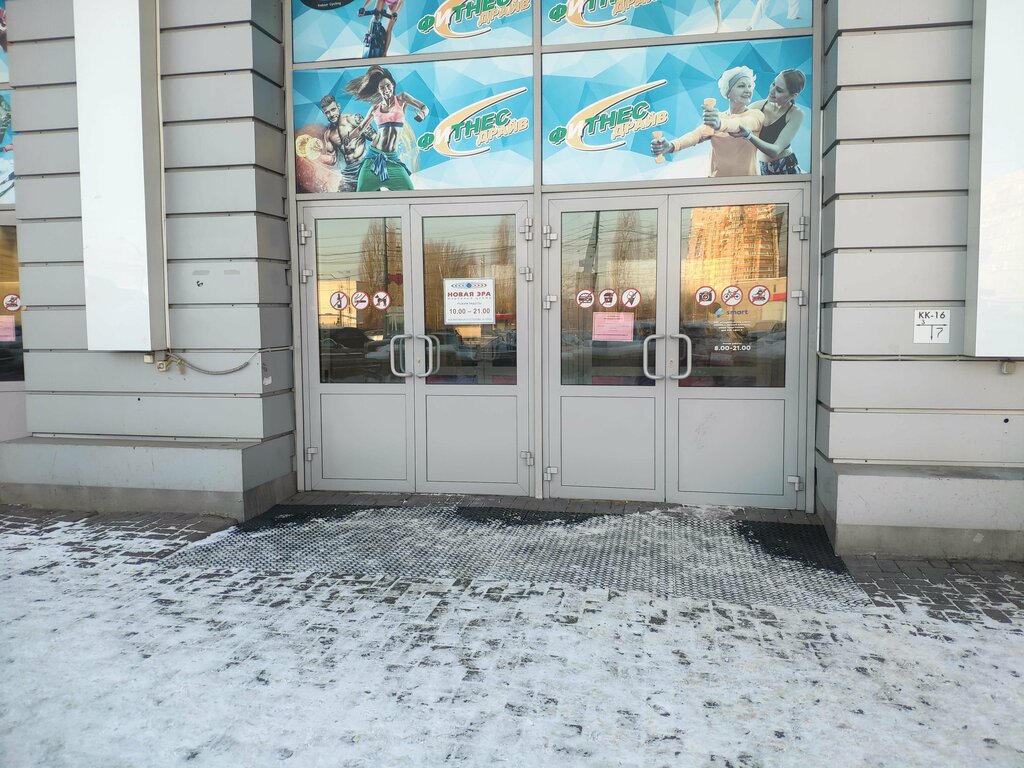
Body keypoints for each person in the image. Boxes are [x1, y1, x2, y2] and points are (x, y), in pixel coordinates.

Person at [650, 66, 764, 178]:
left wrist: (719, 124)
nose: (747, 90)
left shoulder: (756, 115)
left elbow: (741, 124)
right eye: (741, 86)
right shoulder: (717, 117)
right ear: (728, 92)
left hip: (747, 185)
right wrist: (671, 146)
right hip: (715, 184)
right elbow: (695, 135)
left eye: (750, 86)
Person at [345, 65, 428, 192]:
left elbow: (424, 107)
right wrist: (348, 138)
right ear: (378, 90)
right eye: (382, 87)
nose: (386, 89)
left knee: (409, 192)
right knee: (361, 196)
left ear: (393, 86)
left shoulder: (402, 99)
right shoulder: (375, 109)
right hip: (373, 158)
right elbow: (360, 128)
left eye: (388, 86)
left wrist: (422, 114)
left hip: (392, 160)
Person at [722, 69, 806, 175]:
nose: (772, 91)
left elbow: (775, 151)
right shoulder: (757, 107)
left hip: (786, 168)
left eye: (779, 90)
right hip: (763, 169)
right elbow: (733, 122)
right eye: (773, 84)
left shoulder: (796, 114)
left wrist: (749, 136)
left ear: (793, 95)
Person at [316, 95, 378, 192]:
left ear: (338, 107)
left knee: (373, 196)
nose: (331, 114)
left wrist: (375, 161)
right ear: (324, 114)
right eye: (327, 112)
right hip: (350, 171)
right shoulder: (328, 134)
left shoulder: (354, 119)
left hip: (365, 165)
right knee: (342, 195)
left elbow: (375, 138)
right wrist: (317, 155)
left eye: (333, 109)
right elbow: (332, 159)